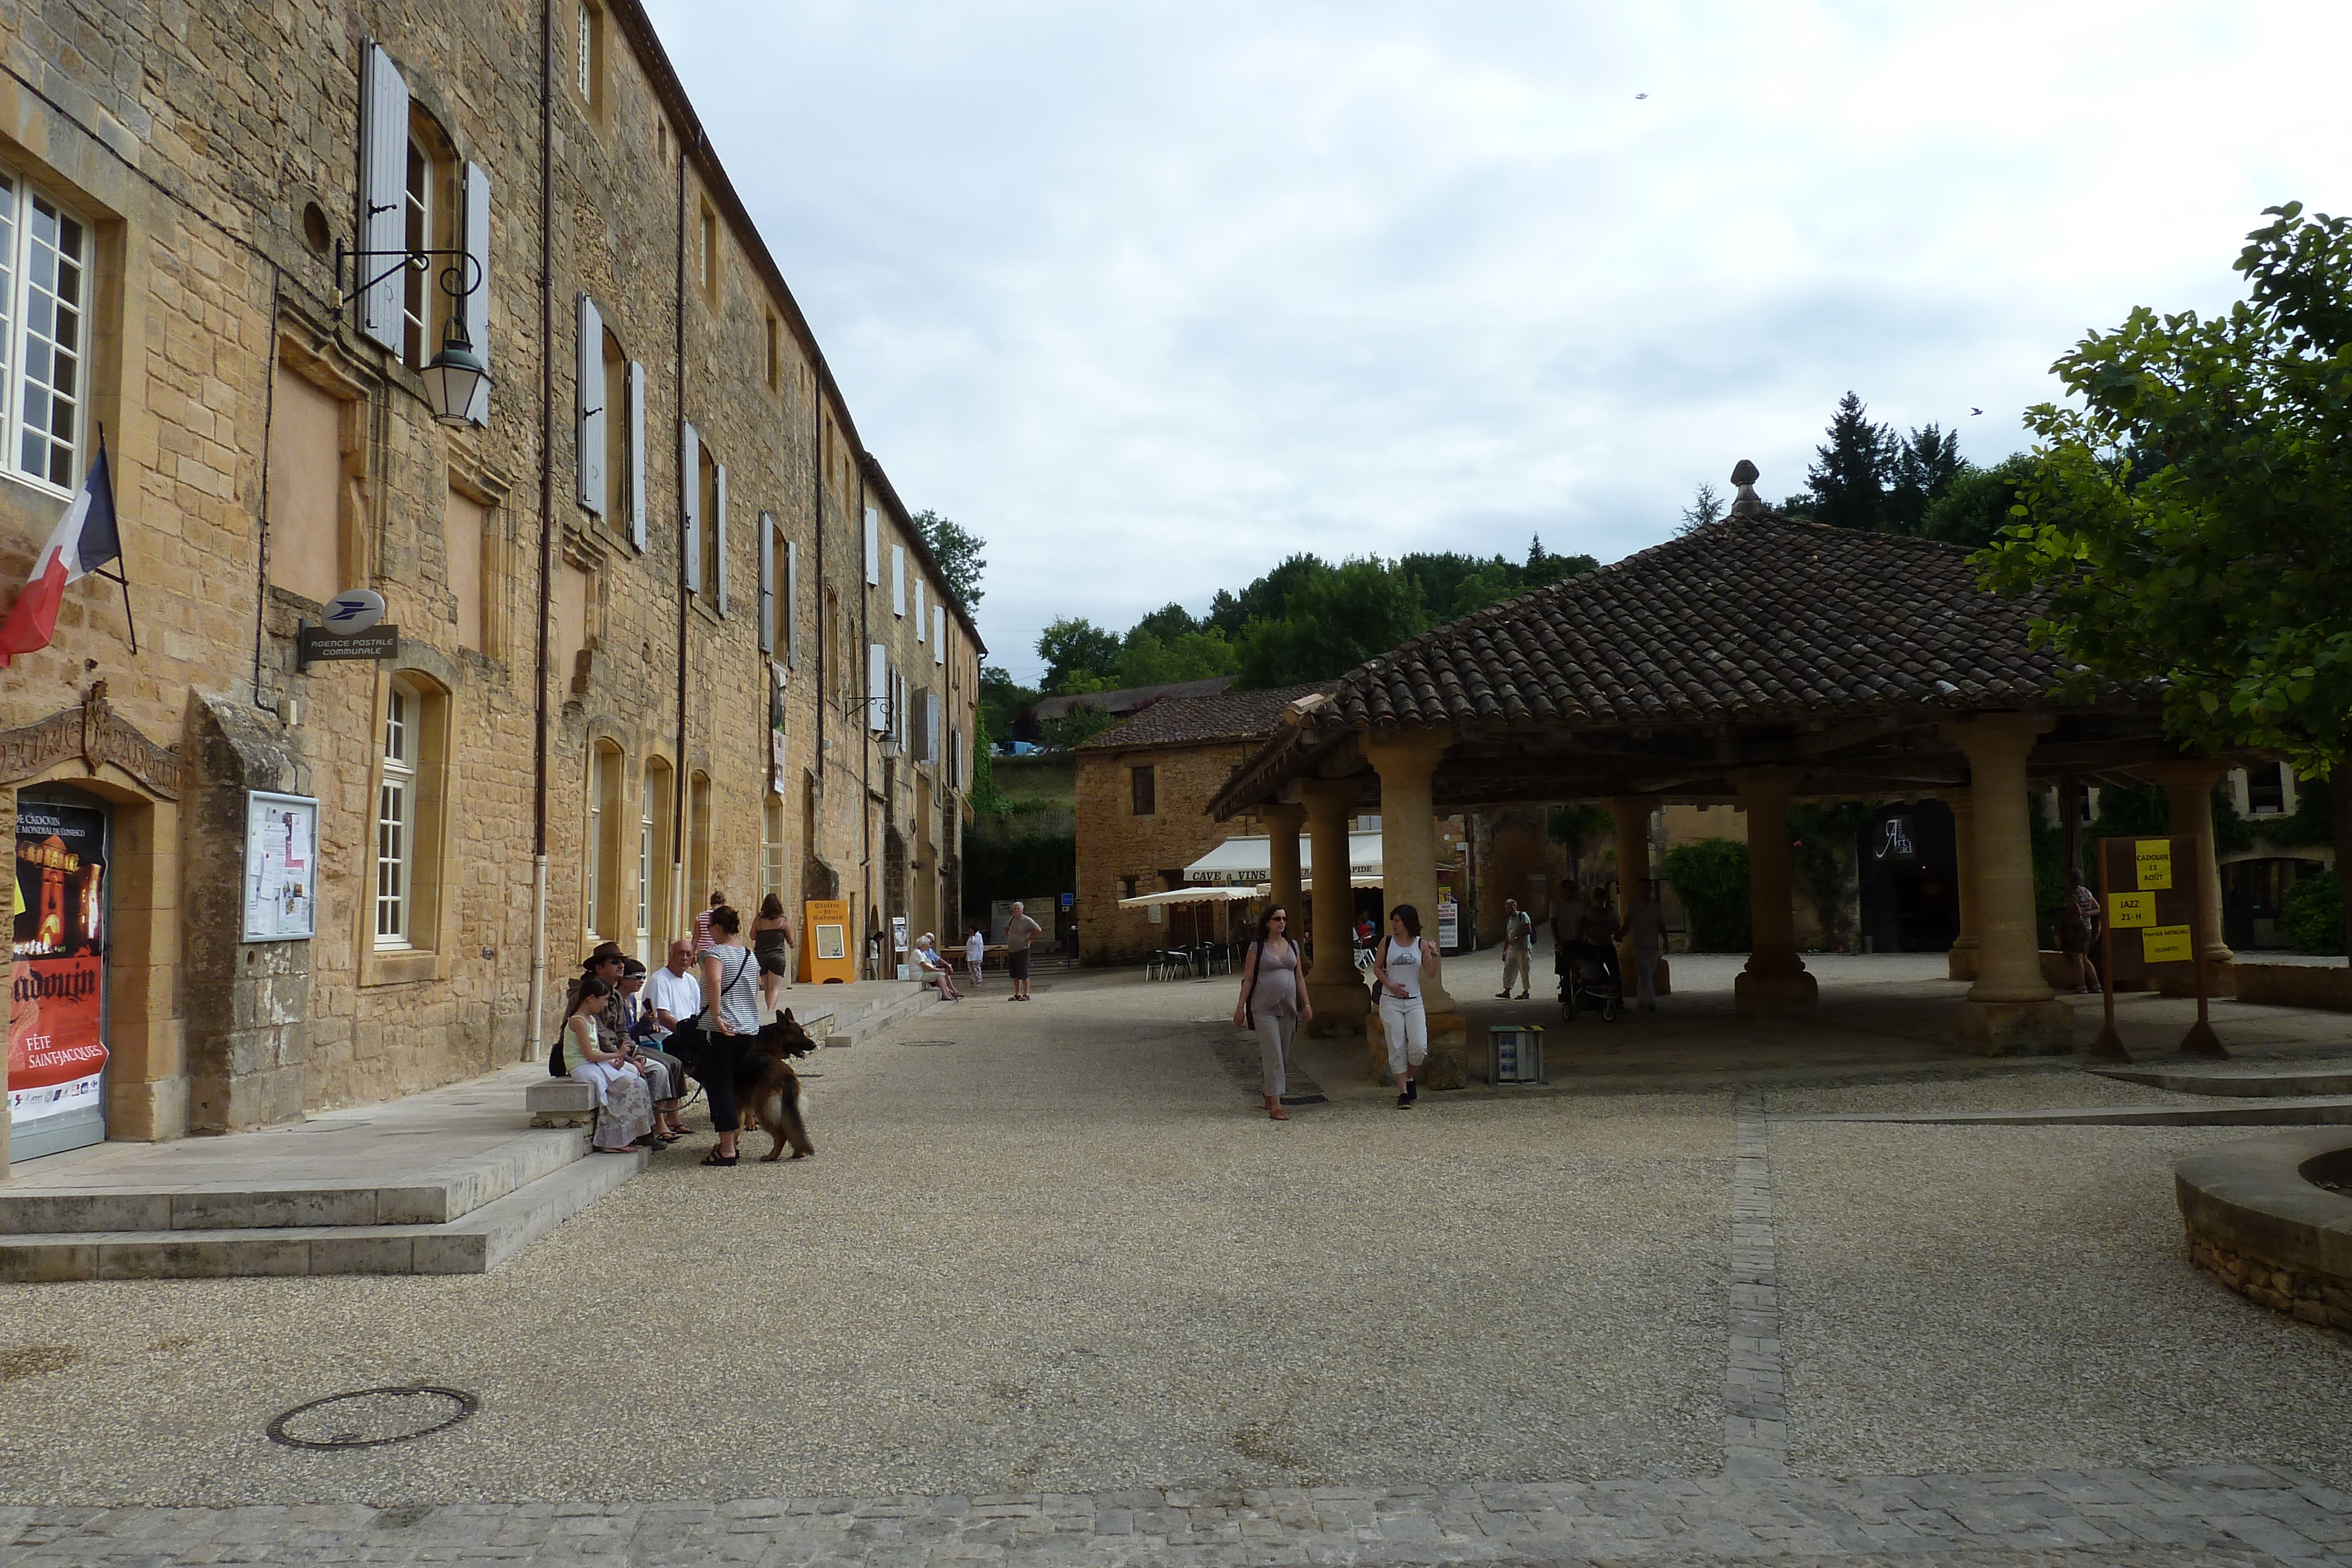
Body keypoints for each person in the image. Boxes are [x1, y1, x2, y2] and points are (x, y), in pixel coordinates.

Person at [694, 905, 763, 1168]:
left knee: (720, 1087)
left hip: (721, 1029)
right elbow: (755, 987)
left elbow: (714, 982)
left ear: (716, 928)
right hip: (748, 1027)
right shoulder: (749, 955)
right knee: (734, 1085)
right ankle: (731, 1140)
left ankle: (727, 1149)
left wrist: (716, 1015)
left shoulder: (715, 953)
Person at [1233, 905, 1312, 1120]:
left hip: (1288, 1008)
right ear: (1268, 922)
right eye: (1277, 919)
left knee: (1283, 1055)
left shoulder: (1293, 946)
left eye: (1284, 919)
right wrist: (1240, 1007)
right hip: (1263, 1008)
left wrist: (1306, 1004)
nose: (1282, 922)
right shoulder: (1257, 948)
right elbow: (1248, 979)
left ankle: (1269, 1090)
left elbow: (1299, 978)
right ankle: (1277, 1104)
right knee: (1273, 1055)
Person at [559, 978, 654, 1152]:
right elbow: (589, 1054)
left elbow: (596, 1052)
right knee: (622, 1088)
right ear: (591, 998)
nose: (605, 1005)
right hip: (582, 1066)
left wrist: (615, 1062)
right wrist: (617, 1054)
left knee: (637, 1082)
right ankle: (611, 1141)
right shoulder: (578, 1021)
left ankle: (630, 1135)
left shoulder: (591, 1020)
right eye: (603, 1000)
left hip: (593, 1064)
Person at [1373, 904, 1441, 1110]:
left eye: (1397, 921)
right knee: (1397, 1046)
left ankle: (1410, 1077)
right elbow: (1377, 967)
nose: (1393, 925)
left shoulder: (1420, 944)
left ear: (1407, 922)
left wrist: (1435, 954)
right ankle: (1403, 1091)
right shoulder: (1387, 942)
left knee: (1419, 1047)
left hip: (1414, 1001)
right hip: (1391, 1001)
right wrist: (1390, 984)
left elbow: (1430, 973)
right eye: (1393, 921)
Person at [617, 958, 690, 1141]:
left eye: (644, 977)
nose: (642, 981)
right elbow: (624, 1033)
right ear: (624, 979)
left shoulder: (632, 1000)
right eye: (637, 977)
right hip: (627, 1048)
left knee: (675, 1063)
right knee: (661, 1068)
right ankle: (659, 1121)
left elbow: (633, 1028)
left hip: (637, 1044)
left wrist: (648, 1026)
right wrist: (644, 1023)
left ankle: (673, 1115)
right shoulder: (618, 1001)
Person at [1558, 885, 1622, 996]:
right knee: (1598, 973)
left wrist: (1617, 934)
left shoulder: (1610, 912)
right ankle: (1598, 998)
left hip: (1608, 944)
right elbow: (1586, 930)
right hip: (1595, 946)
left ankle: (1617, 998)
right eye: (1597, 896)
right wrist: (1595, 936)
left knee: (1615, 973)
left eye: (1602, 896)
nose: (1600, 898)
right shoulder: (1590, 912)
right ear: (1594, 898)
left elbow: (1616, 925)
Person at [646, 937, 704, 1047]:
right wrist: (689, 1036)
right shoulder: (660, 980)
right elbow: (664, 1018)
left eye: (689, 955)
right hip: (665, 1038)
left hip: (685, 1036)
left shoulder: (691, 980)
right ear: (670, 955)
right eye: (680, 953)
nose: (684, 958)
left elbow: (698, 1014)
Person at [1618, 881, 1665, 1012]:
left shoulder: (1656, 906)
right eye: (1643, 888)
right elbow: (1628, 923)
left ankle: (1641, 998)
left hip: (1653, 944)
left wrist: (1665, 939)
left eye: (1647, 888)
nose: (1645, 891)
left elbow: (1660, 923)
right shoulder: (1633, 906)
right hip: (1639, 945)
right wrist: (1621, 935)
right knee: (1645, 973)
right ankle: (1650, 1001)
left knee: (1648, 974)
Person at [753, 893, 796, 1013]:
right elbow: (790, 940)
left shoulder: (759, 919)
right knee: (775, 988)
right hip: (777, 956)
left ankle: (769, 1010)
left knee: (767, 986)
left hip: (761, 955)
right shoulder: (783, 921)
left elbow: (752, 936)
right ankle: (771, 1010)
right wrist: (792, 946)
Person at [2064, 870, 2101, 993]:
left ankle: (2082, 986)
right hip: (2087, 927)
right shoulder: (2086, 892)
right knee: (2085, 958)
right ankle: (2096, 985)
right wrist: (2087, 914)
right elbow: (2097, 908)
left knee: (2077, 958)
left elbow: (2074, 910)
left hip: (2077, 928)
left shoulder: (2072, 894)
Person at [1002, 901, 1043, 1002]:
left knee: (1023, 973)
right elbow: (1006, 928)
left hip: (1022, 950)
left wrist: (1030, 938)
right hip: (1012, 950)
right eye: (1015, 909)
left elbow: (1038, 930)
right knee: (1014, 974)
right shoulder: (1012, 920)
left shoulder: (1027, 920)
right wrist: (1010, 937)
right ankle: (1017, 994)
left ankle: (1026, 994)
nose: (1016, 911)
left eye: (1018, 909)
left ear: (1022, 910)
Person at [1498, 898, 1532, 999]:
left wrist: (1517, 939)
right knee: (1509, 969)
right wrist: (1505, 950)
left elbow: (1528, 930)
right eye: (1508, 909)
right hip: (1512, 949)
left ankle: (1526, 991)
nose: (1509, 910)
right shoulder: (1509, 920)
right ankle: (1507, 990)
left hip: (1523, 948)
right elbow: (1507, 936)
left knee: (1524, 969)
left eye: (1511, 908)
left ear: (1515, 907)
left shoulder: (1523, 916)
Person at [913, 932, 963, 999]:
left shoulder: (922, 951)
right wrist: (938, 970)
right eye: (930, 942)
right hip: (920, 975)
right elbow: (925, 965)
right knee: (941, 974)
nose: (930, 945)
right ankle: (948, 993)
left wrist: (948, 966)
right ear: (924, 944)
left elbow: (937, 959)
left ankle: (949, 992)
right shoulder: (918, 953)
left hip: (926, 971)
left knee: (942, 973)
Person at [693, 890, 725, 958]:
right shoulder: (723, 917)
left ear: (711, 904)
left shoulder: (701, 916)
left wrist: (692, 953)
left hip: (703, 951)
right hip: (718, 951)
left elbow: (696, 937)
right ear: (723, 904)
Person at [965, 926, 987, 991]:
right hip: (970, 956)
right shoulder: (970, 937)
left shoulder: (978, 936)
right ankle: (972, 981)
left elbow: (974, 942)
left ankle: (979, 981)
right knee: (970, 970)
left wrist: (973, 936)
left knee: (976, 969)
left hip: (976, 956)